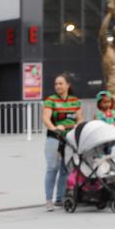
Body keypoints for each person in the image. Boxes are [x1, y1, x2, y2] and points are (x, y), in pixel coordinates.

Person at [42, 74, 82, 210]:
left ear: (68, 85)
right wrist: (54, 128)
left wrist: (78, 126)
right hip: (54, 137)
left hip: (69, 139)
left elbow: (79, 119)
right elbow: (46, 118)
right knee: (52, 168)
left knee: (65, 169)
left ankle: (60, 198)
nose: (58, 86)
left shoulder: (75, 101)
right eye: (56, 84)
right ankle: (49, 200)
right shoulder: (51, 100)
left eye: (60, 83)